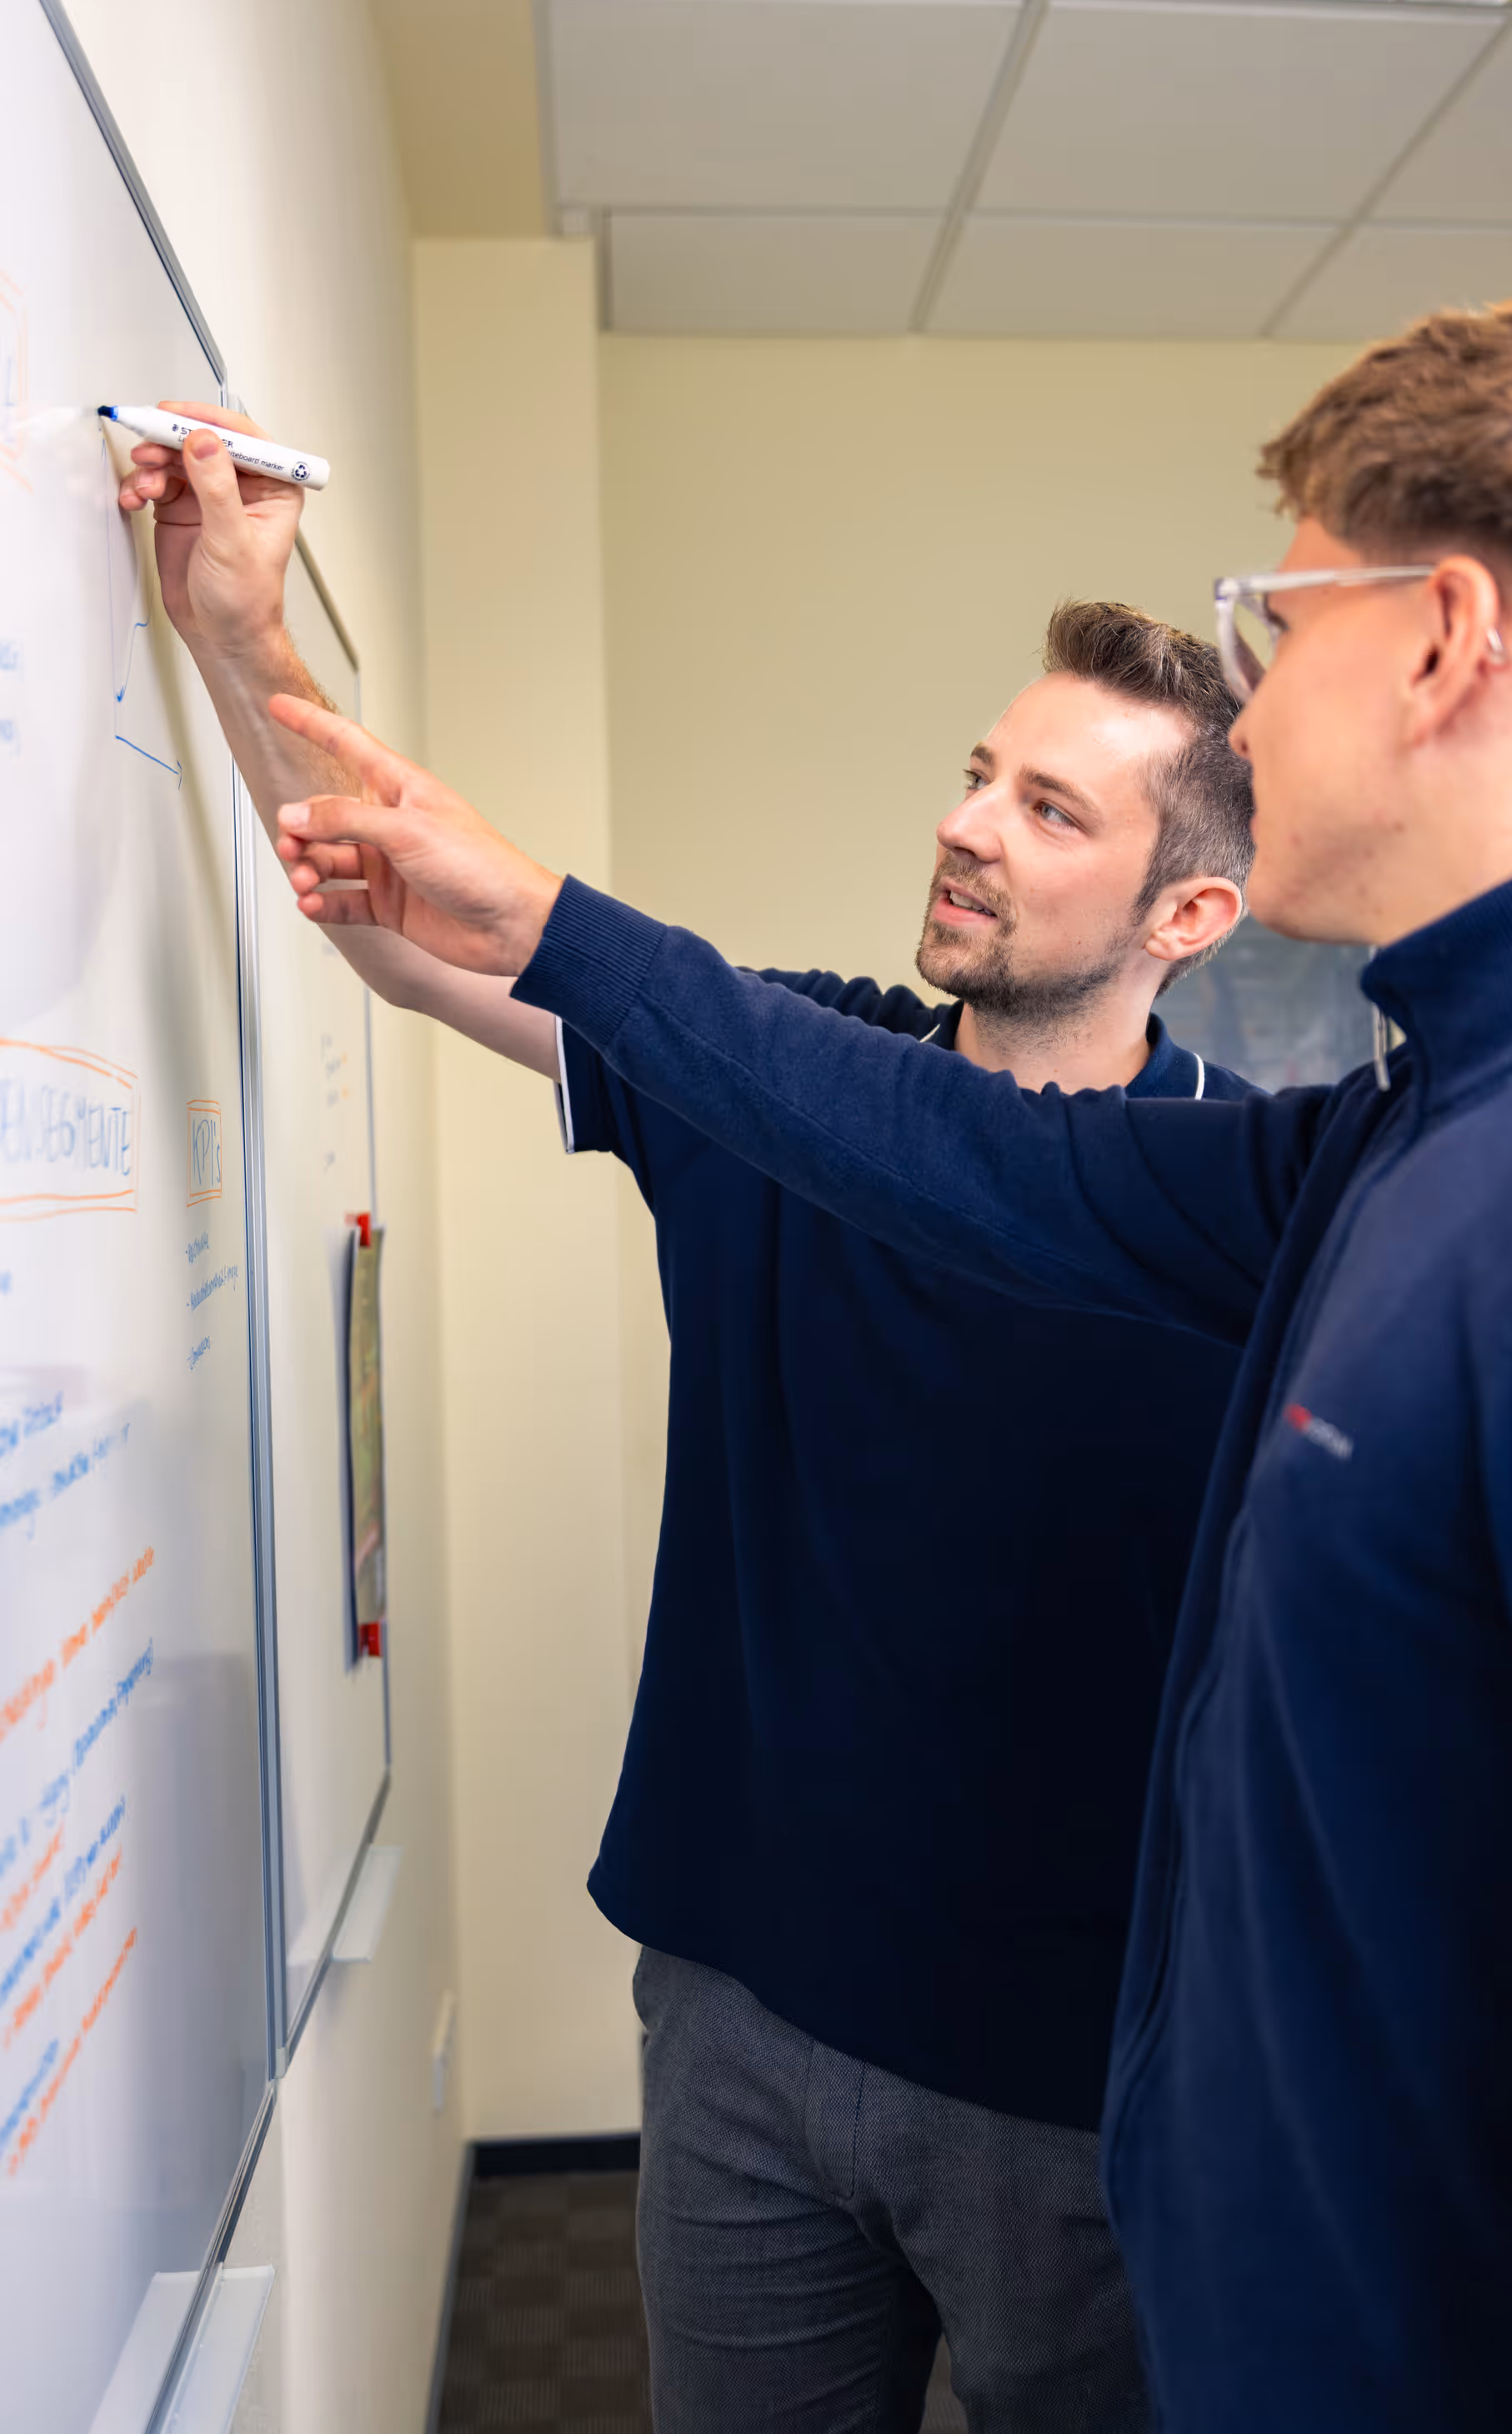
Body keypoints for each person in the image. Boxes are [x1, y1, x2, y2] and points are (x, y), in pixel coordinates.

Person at [251, 284, 1512, 2434]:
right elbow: (930, 1139)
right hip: (833, 2048)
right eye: (975, 776)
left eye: (1286, 616)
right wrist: (297, 696)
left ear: (1448, 635)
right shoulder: (1413, 1125)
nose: (1263, 693)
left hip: (1109, 2138)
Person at [115, 423, 1259, 2431]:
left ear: (1188, 912)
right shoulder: (789, 1076)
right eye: (979, 768)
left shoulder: (1231, 1216)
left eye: (1048, 806)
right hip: (735, 2011)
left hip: (1072, 2088)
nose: (966, 821)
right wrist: (238, 633)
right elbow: (395, 922)